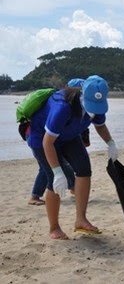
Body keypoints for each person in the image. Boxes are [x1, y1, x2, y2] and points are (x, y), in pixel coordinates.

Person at [27, 75, 119, 239]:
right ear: (83, 94)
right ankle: (54, 228)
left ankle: (81, 220)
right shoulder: (63, 107)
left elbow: (100, 125)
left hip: (69, 136)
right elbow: (48, 142)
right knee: (52, 180)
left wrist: (111, 143)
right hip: (42, 139)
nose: (94, 109)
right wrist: (57, 172)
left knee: (84, 169)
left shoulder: (96, 107)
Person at [27, 78, 85, 206]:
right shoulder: (62, 104)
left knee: (49, 168)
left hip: (51, 140)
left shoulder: (71, 104)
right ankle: (35, 196)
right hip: (39, 140)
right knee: (53, 169)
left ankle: (72, 188)